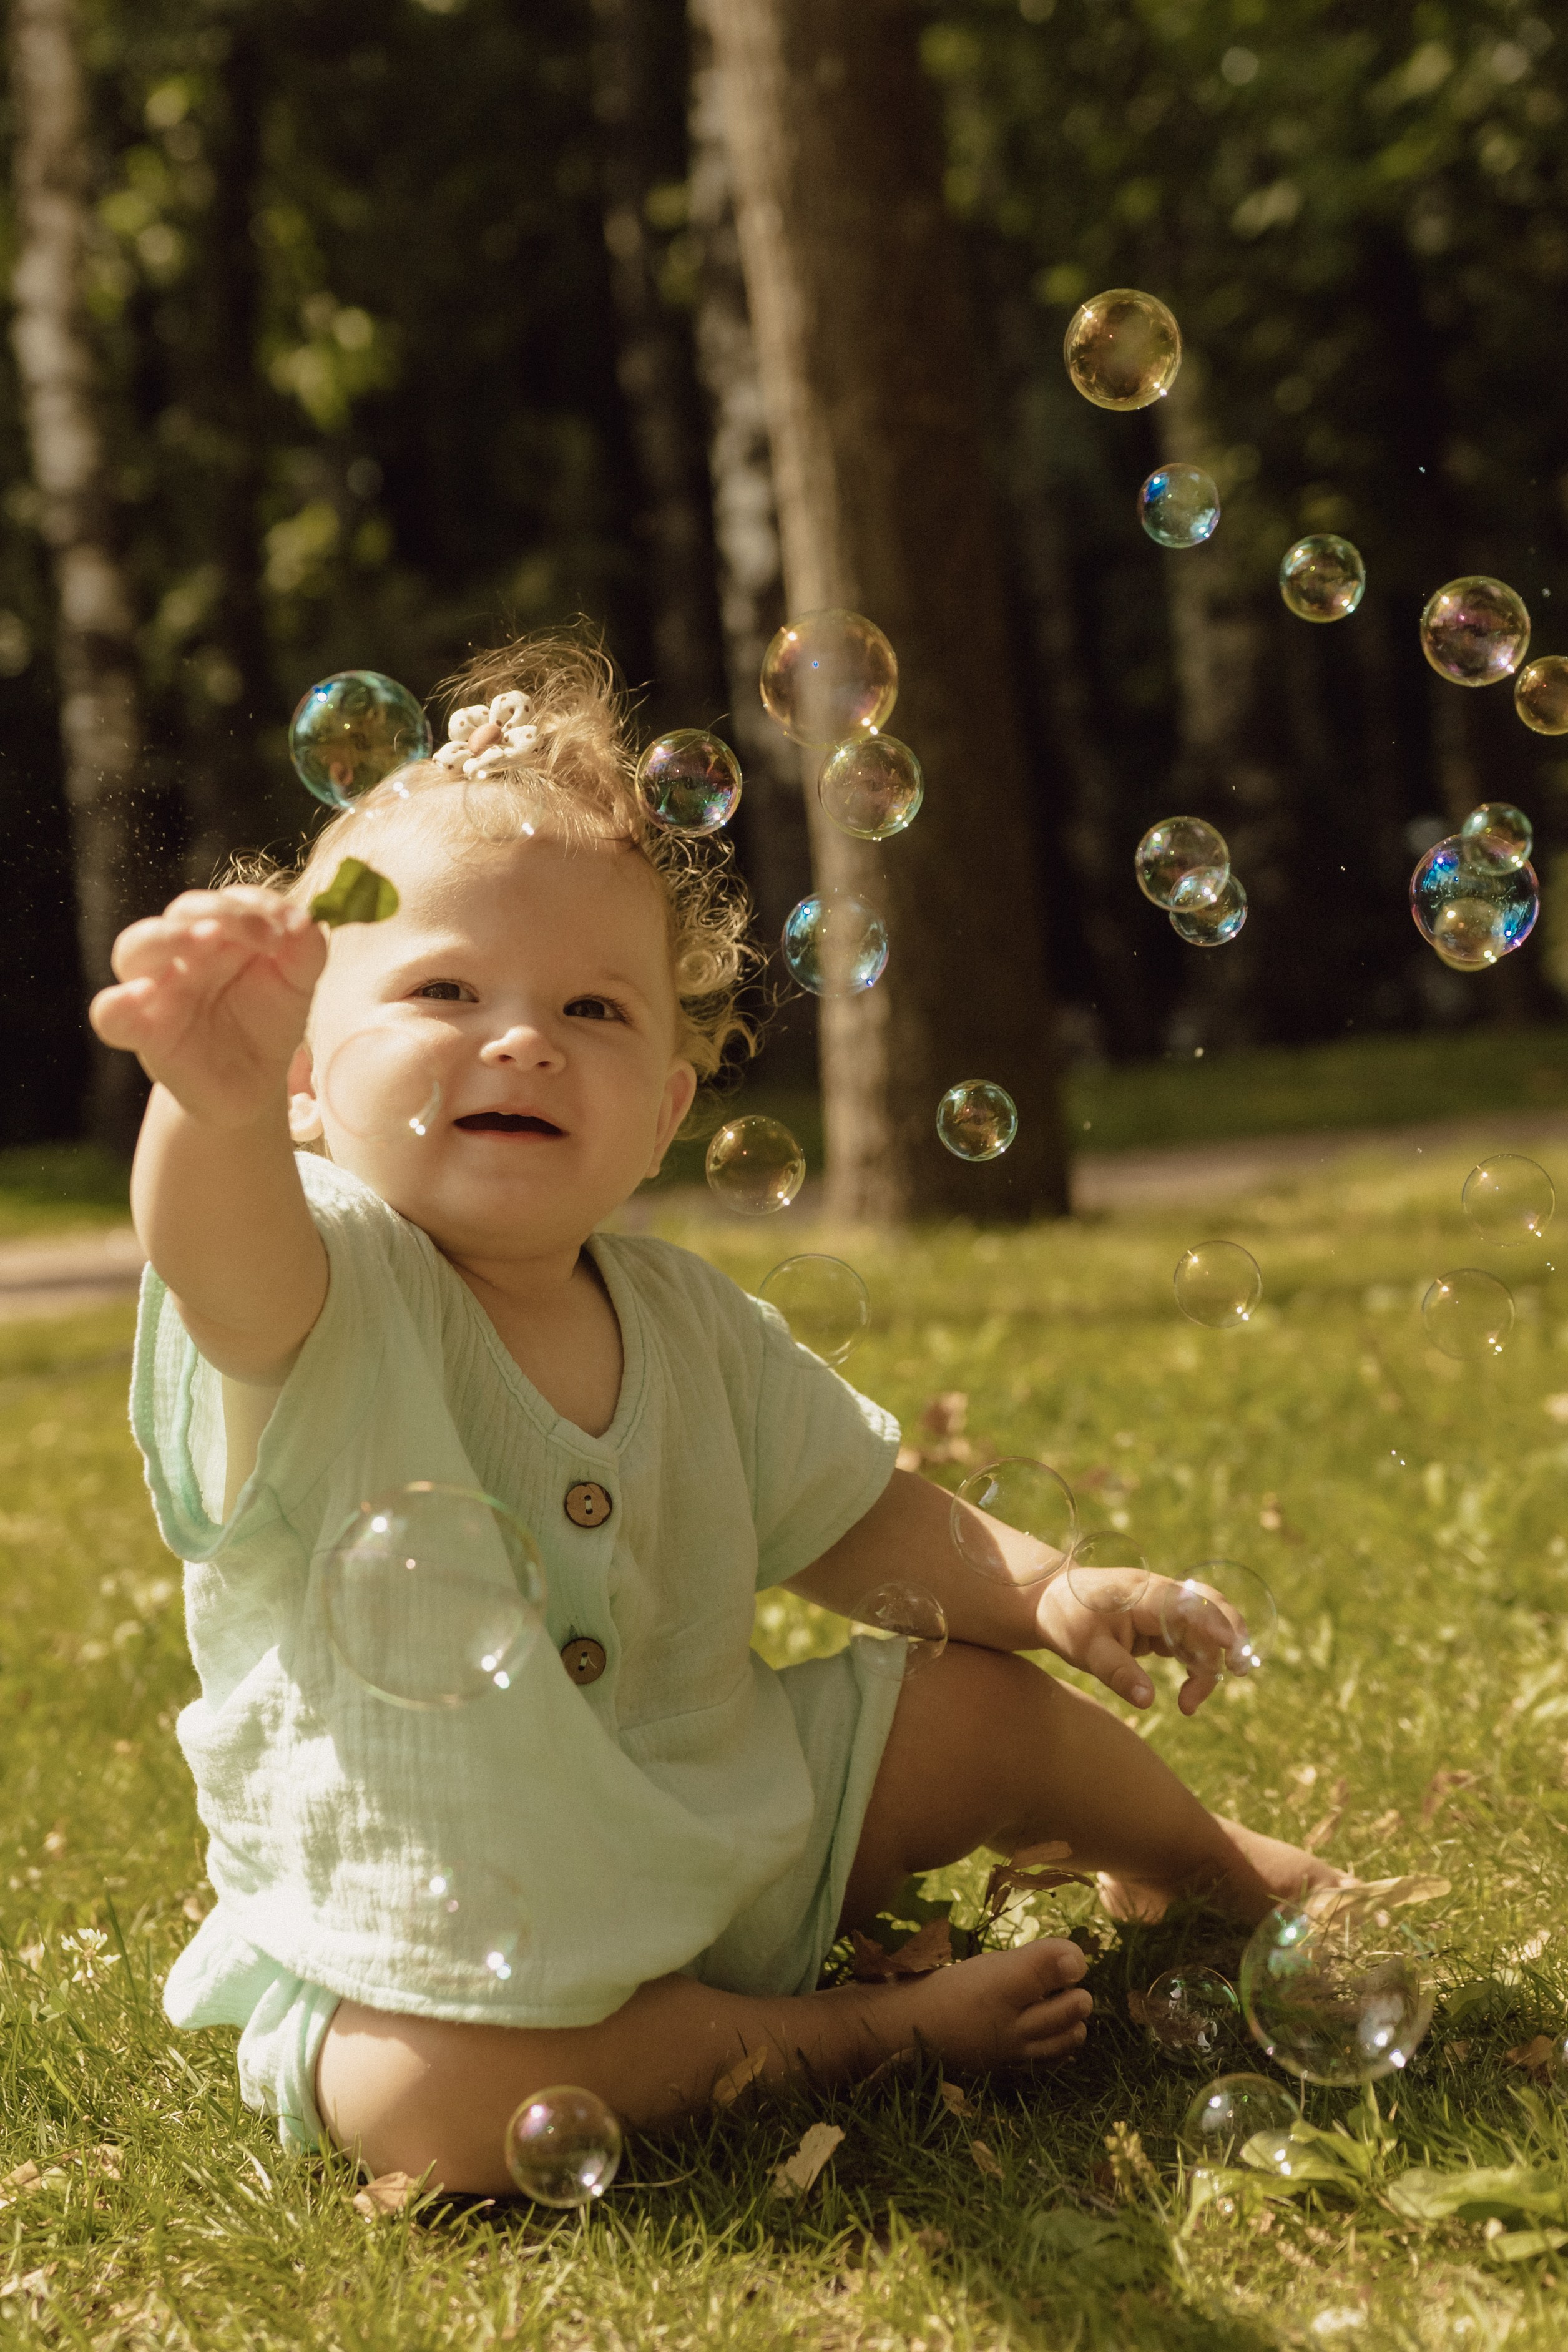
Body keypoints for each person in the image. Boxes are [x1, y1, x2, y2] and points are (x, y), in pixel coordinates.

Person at [93, 634, 1336, 2198]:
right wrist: (201, 1107)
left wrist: (1044, 1590)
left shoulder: (688, 1322)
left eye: (596, 1011)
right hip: (448, 1926)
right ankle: (837, 2039)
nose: (524, 1037)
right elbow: (216, 1256)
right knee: (421, 2101)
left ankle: (1207, 1874)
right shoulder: (325, 1287)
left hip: (723, 1827)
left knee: (976, 1708)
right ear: (301, 1078)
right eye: (443, 988)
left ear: (670, 1110)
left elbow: (863, 1519)